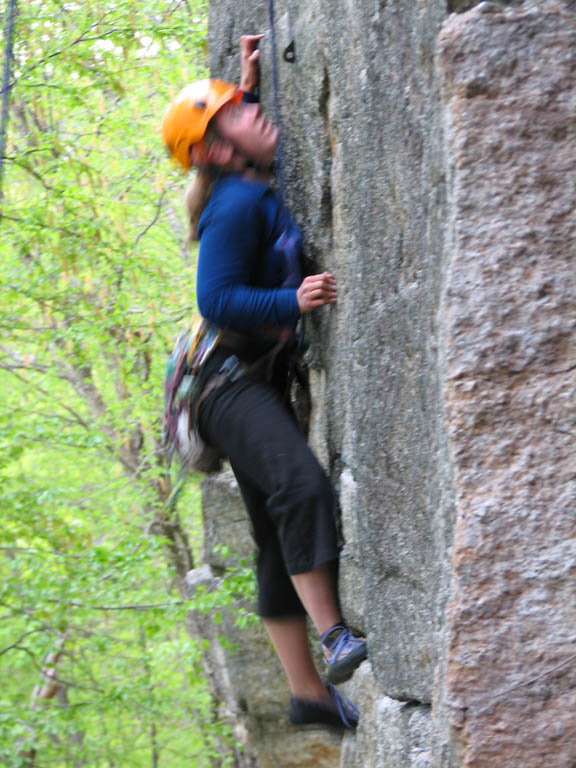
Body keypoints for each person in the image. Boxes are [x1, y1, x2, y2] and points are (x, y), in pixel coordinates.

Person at [161, 34, 367, 730]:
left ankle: (308, 695)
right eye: (241, 112)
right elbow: (217, 298)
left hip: (237, 383)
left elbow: (229, 122)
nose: (257, 112)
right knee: (302, 488)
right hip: (223, 384)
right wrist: (293, 302)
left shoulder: (236, 180)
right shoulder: (236, 205)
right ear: (219, 151)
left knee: (277, 538)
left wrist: (244, 79)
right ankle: (336, 634)